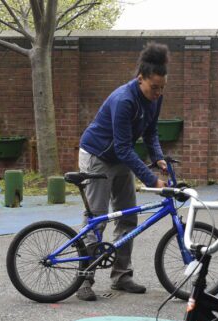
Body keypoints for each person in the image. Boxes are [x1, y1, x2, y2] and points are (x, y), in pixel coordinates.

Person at [76, 41, 170, 301]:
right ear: (140, 79)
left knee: (128, 215)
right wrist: (152, 179)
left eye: (162, 88)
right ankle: (84, 278)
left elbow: (151, 132)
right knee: (97, 217)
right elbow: (124, 147)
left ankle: (121, 275)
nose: (158, 93)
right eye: (154, 88)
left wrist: (158, 158)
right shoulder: (124, 99)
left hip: (119, 156)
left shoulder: (155, 98)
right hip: (97, 155)